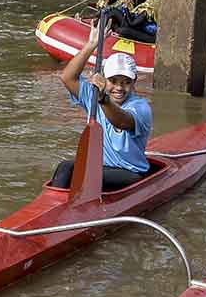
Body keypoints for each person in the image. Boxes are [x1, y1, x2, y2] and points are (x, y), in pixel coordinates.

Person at [50, 23, 153, 191]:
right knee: (65, 167)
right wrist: (91, 44)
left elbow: (121, 121)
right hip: (101, 169)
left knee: (87, 175)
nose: (119, 88)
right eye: (113, 81)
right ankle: (54, 206)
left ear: (134, 83)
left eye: (126, 82)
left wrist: (103, 99)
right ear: (104, 80)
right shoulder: (93, 96)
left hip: (130, 174)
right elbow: (67, 77)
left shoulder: (141, 108)